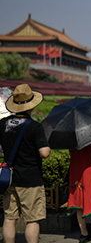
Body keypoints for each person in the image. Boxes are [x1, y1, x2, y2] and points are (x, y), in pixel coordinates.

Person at [1, 83, 50, 243]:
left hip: (9, 179)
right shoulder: (35, 127)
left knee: (9, 217)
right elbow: (44, 153)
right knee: (32, 219)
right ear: (31, 105)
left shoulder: (3, 124)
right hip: (30, 179)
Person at [66, 143, 91, 242]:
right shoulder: (90, 142)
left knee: (79, 205)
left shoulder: (73, 143)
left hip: (76, 175)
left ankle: (84, 234)